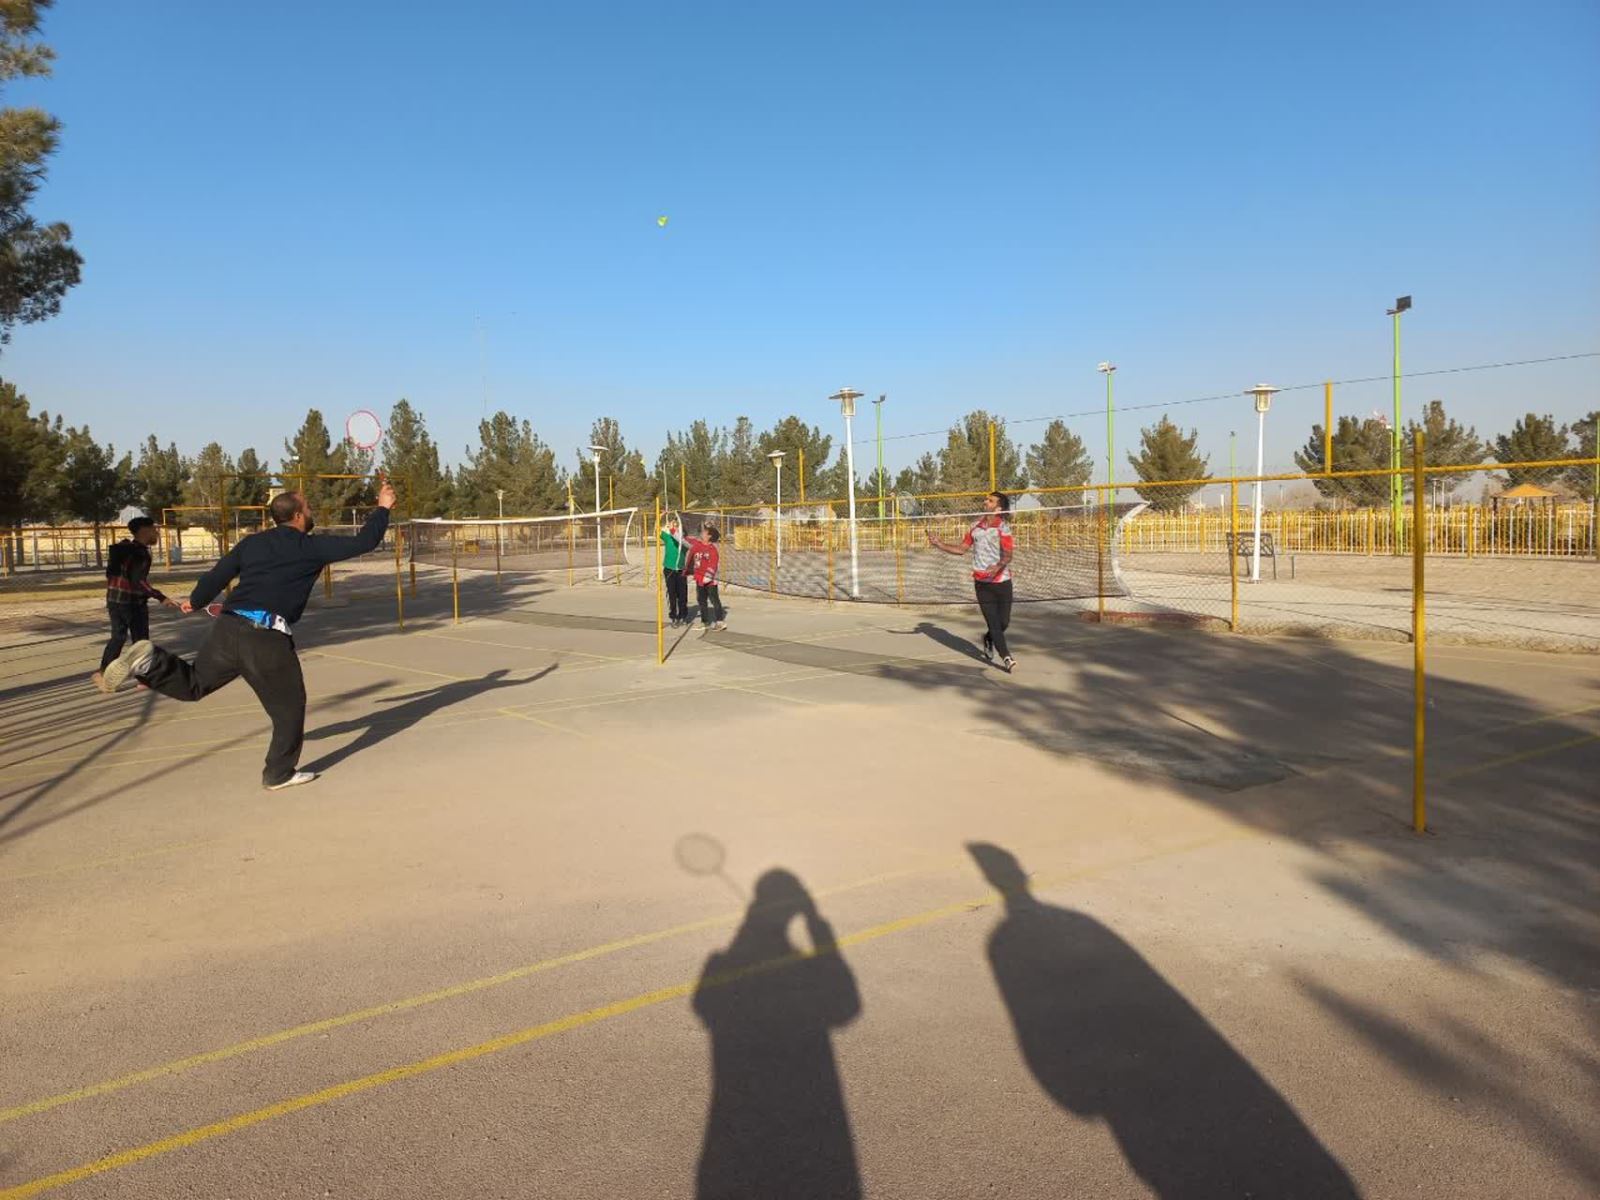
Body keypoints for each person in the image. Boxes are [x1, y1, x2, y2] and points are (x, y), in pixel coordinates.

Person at [97, 481, 397, 791]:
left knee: (194, 685)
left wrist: (196, 600)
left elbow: (217, 575)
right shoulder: (310, 547)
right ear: (297, 516)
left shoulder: (252, 543)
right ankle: (278, 774)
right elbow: (365, 541)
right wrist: (383, 507)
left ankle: (151, 663)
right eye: (308, 508)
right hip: (265, 639)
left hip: (227, 628)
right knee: (289, 709)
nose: (311, 512)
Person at [928, 491, 1016, 671]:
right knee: (993, 622)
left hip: (1002, 581)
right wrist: (939, 544)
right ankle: (1006, 657)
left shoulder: (1003, 528)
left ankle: (989, 638)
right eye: (986, 499)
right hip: (982, 583)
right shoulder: (975, 526)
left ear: (998, 508)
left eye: (990, 501)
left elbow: (1008, 555)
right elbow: (962, 549)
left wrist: (998, 566)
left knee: (1003, 622)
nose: (985, 502)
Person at [93, 516, 180, 692]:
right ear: (144, 531)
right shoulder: (140, 553)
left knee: (121, 637)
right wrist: (161, 597)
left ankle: (105, 674)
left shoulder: (122, 550)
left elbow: (111, 575)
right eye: (154, 530)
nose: (156, 533)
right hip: (131, 602)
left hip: (116, 599)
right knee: (140, 641)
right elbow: (139, 581)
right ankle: (141, 678)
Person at [688, 522, 726, 631]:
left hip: (710, 580)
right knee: (701, 601)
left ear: (709, 536)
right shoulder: (697, 545)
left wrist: (708, 577)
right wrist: (674, 530)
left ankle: (720, 622)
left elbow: (713, 564)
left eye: (705, 531)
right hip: (699, 579)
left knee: (714, 600)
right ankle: (705, 622)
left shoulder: (712, 550)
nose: (702, 532)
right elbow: (684, 540)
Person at [660, 513, 691, 627]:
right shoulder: (668, 537)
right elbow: (657, 530)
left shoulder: (684, 541)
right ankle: (674, 617)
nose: (674, 526)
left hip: (681, 570)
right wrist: (660, 517)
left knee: (682, 595)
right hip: (669, 570)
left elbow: (689, 545)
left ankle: (683, 616)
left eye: (677, 525)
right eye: (673, 524)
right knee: (672, 595)